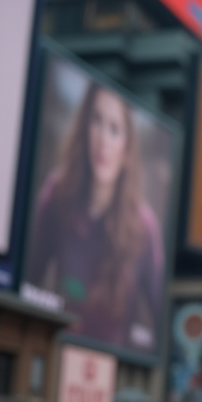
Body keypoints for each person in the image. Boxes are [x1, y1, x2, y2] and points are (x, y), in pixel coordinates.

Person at [24, 80, 165, 351]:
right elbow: (27, 284)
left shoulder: (145, 228)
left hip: (112, 374)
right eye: (96, 121)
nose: (103, 141)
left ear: (126, 151)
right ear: (84, 129)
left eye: (115, 130)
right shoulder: (56, 194)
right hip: (54, 352)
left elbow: (161, 326)